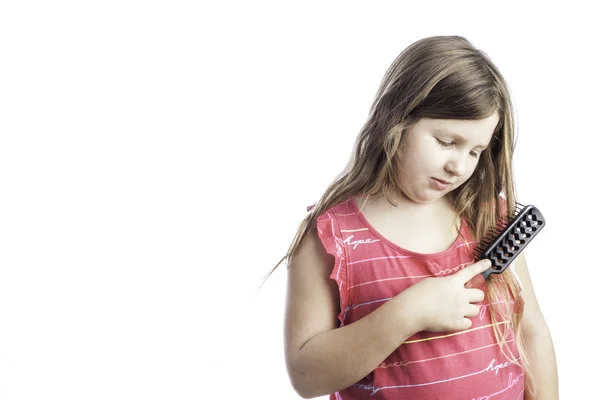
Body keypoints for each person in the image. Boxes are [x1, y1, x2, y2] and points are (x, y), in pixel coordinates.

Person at [273, 36, 559, 399]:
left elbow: (530, 329)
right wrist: (409, 312)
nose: (459, 166)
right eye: (446, 142)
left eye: (475, 151)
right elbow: (306, 376)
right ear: (397, 119)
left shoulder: (487, 215)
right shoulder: (332, 236)